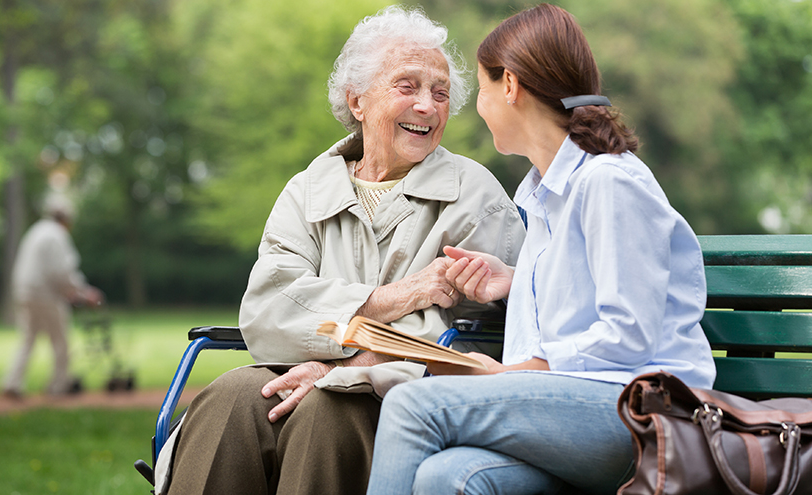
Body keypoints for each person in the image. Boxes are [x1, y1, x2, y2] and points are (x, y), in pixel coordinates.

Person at [162, 6, 525, 495]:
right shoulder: (307, 190)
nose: (427, 106)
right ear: (358, 101)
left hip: (406, 397)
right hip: (301, 369)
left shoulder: (475, 195)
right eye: (407, 86)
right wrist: (393, 299)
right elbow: (268, 307)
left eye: (440, 93)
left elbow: (478, 339)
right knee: (230, 397)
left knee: (327, 409)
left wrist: (340, 371)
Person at [365, 4, 717, 495]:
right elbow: (586, 298)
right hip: (585, 413)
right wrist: (514, 280)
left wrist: (515, 374)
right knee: (448, 477)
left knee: (413, 405)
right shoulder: (546, 194)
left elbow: (629, 334)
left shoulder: (609, 181)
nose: (479, 106)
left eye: (484, 91)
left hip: (645, 415)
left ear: (509, 85)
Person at [0, 193, 103, 400]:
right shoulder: (57, 235)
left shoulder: (37, 230)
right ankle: (58, 386)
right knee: (61, 340)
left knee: (28, 338)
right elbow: (62, 272)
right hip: (45, 295)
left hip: (24, 292)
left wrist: (73, 292)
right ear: (66, 218)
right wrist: (84, 292)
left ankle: (12, 382)